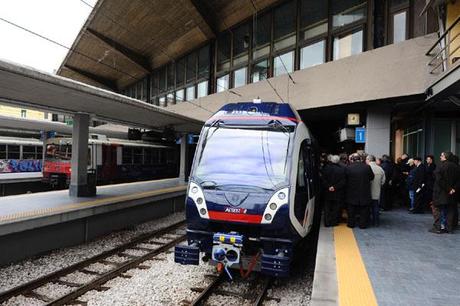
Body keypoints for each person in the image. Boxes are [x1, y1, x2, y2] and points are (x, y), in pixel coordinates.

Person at [430, 152, 459, 234]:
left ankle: (437, 227)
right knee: (450, 210)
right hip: (451, 193)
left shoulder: (440, 166)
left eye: (442, 155)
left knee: (436, 209)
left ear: (446, 157)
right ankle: (449, 228)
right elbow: (458, 180)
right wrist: (453, 189)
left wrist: (449, 189)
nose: (440, 157)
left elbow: (439, 180)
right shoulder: (456, 167)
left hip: (441, 193)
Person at [345, 153, 375, 229]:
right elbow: (372, 177)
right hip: (364, 191)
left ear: (352, 159)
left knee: (351, 210)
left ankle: (351, 224)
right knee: (364, 210)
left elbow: (345, 179)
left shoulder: (348, 168)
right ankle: (362, 225)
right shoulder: (367, 167)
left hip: (351, 192)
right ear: (361, 159)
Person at [321, 155, 346, 227]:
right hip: (337, 192)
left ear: (331, 160)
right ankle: (334, 222)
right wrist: (334, 187)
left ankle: (327, 222)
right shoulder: (341, 169)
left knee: (327, 207)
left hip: (327, 191)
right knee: (336, 207)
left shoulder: (325, 168)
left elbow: (323, 179)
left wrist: (329, 187)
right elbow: (343, 181)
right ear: (338, 161)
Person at [366, 155, 385, 226]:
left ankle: (367, 221)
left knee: (366, 208)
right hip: (376, 192)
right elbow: (383, 181)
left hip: (366, 192)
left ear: (368, 160)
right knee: (375, 207)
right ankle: (376, 222)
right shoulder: (380, 169)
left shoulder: (366, 168)